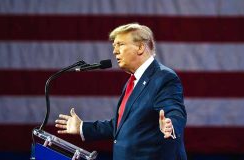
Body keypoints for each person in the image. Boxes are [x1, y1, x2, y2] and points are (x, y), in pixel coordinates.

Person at [55, 23, 187, 160]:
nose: (115, 51)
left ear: (140, 47)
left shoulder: (163, 77)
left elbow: (174, 111)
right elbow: (122, 125)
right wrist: (82, 127)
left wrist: (170, 125)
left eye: (120, 44)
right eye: (114, 46)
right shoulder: (134, 80)